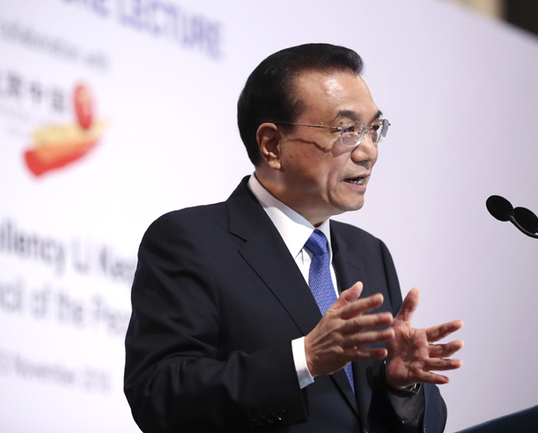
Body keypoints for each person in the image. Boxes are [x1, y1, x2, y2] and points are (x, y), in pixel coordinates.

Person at [124, 43, 464, 432]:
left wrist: (400, 385)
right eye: (346, 130)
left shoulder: (370, 254)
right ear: (272, 145)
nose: (368, 150)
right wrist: (304, 359)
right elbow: (159, 394)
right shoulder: (191, 241)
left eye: (373, 129)